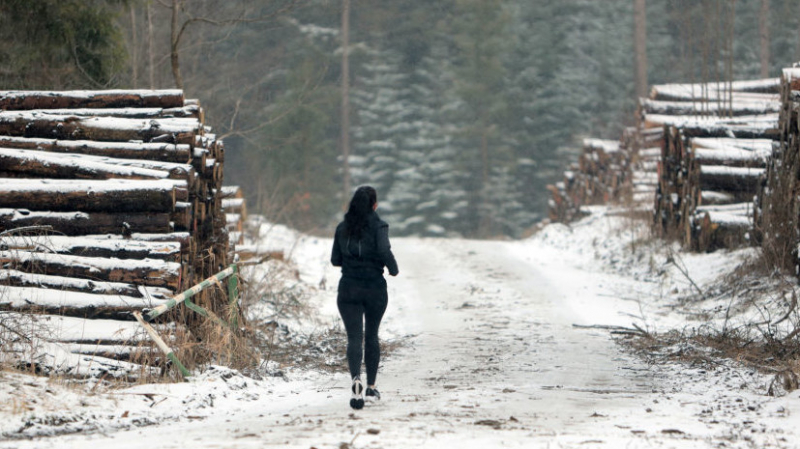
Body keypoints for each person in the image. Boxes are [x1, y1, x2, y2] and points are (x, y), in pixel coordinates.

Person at [331, 186, 399, 410]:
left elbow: (335, 260)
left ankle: (355, 380)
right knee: (371, 335)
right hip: (374, 289)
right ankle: (370, 387)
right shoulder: (379, 226)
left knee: (353, 338)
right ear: (374, 205)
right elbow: (383, 251)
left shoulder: (342, 227)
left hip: (348, 288)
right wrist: (393, 268)